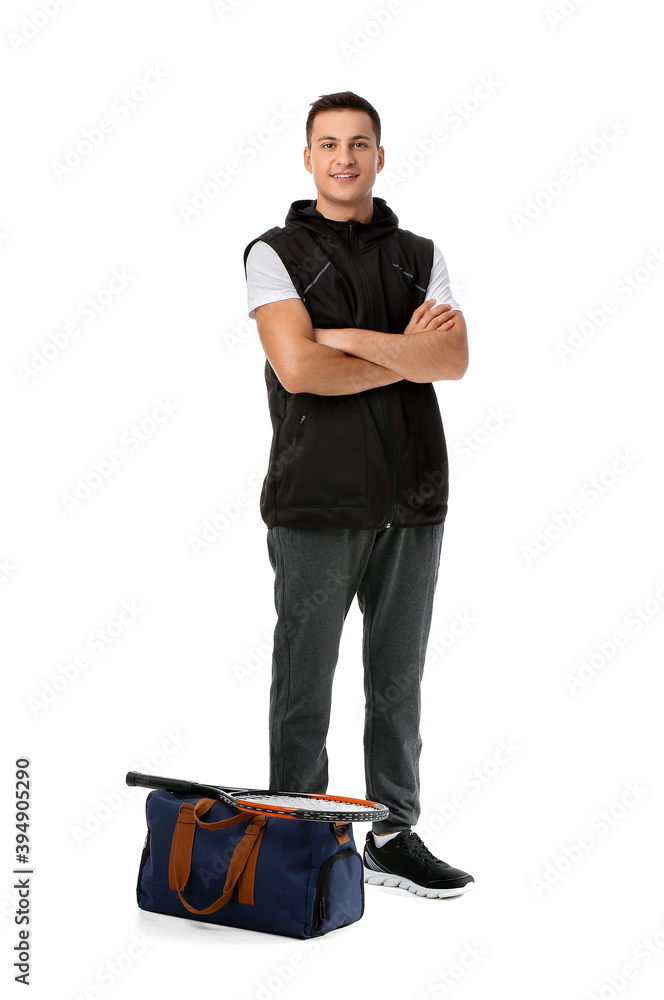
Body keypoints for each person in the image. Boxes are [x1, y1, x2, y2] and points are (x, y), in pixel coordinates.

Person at [243, 91, 474, 898]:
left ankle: (391, 833)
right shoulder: (272, 252)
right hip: (315, 498)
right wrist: (402, 352)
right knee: (304, 675)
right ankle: (299, 832)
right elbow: (298, 369)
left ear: (381, 155)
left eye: (360, 143)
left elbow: (452, 362)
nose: (345, 156)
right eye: (329, 143)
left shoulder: (420, 252)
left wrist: (344, 337)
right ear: (307, 158)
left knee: (397, 677)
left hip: (413, 497)